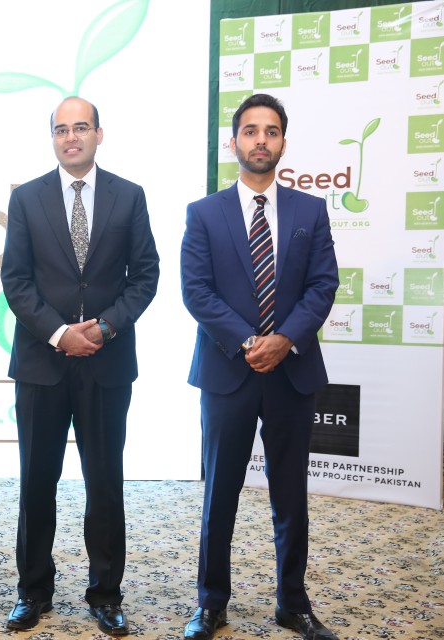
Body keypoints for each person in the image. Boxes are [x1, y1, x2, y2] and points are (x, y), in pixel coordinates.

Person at [180, 93, 339, 640]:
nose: (260, 140)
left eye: (271, 131)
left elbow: (323, 285)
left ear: (283, 143)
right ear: (234, 142)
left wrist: (285, 339)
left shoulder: (309, 211)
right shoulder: (204, 213)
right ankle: (210, 603)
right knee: (219, 494)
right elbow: (197, 292)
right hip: (228, 371)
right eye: (250, 131)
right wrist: (251, 341)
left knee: (290, 494)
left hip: (292, 371)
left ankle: (293, 603)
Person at [0, 97, 160, 637]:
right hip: (41, 364)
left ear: (99, 134)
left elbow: (145, 275)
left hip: (106, 364)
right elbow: (16, 280)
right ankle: (32, 591)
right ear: (52, 137)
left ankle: (106, 594)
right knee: (36, 483)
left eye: (81, 127)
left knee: (105, 483)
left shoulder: (129, 195)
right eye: (61, 129)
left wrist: (105, 328)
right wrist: (60, 333)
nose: (71, 137)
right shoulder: (26, 197)